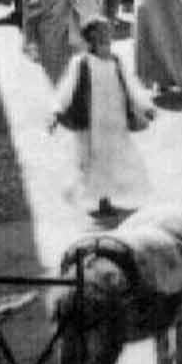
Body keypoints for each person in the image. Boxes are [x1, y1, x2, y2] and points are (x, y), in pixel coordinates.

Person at [51, 16, 153, 220]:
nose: (109, 33)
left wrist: (144, 106)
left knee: (111, 159)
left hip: (114, 121)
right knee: (92, 160)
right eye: (104, 30)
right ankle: (100, 201)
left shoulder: (115, 61)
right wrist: (56, 111)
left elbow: (129, 86)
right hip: (91, 122)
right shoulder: (80, 63)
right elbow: (67, 89)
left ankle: (106, 199)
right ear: (93, 36)